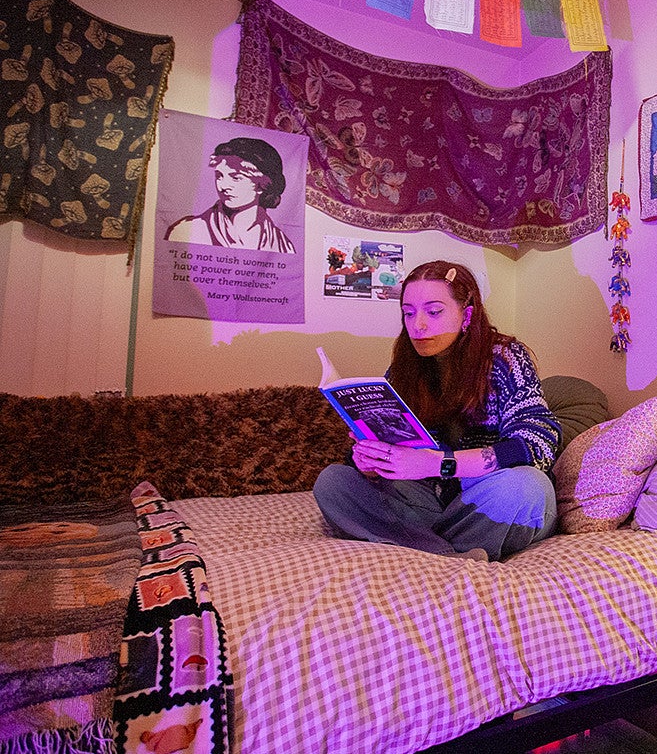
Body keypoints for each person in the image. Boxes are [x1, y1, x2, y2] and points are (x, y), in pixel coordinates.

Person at [313, 260, 561, 562]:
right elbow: (400, 456)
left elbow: (539, 444)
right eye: (408, 313)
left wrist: (437, 464)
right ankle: (447, 552)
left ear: (466, 315)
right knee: (333, 483)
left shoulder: (506, 358)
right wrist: (372, 460)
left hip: (487, 497)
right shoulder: (405, 365)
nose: (418, 325)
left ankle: (417, 545)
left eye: (434, 312)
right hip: (431, 499)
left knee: (528, 488)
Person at [165, 136, 296, 253]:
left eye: (236, 178)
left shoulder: (283, 246)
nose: (223, 186)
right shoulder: (188, 231)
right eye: (219, 176)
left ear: (263, 184)